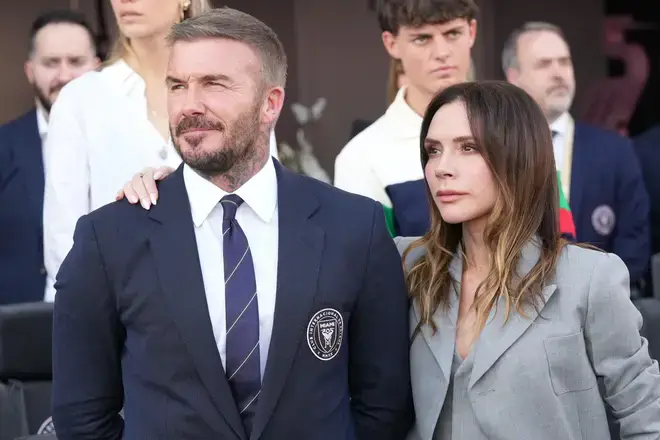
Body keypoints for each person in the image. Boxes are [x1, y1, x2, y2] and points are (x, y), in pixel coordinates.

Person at [51, 8, 412, 440]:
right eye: (177, 85)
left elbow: (384, 404)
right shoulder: (109, 238)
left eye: (214, 84)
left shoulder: (355, 228)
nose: (190, 104)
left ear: (270, 104)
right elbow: (82, 416)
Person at [396, 81, 660, 440]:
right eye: (433, 150)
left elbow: (645, 414)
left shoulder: (588, 277)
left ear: (517, 156)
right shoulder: (409, 265)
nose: (442, 167)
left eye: (468, 147)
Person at [41, 0, 272, 302]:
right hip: (116, 311)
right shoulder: (81, 99)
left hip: (230, 306)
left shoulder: (238, 90)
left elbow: (265, 205)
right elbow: (63, 243)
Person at [502, 21, 650, 285]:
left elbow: (634, 246)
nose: (559, 73)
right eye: (544, 64)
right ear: (514, 78)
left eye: (564, 62)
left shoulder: (615, 152)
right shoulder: (493, 151)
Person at [0, 10, 99, 305]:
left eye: (76, 61)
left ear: (97, 68)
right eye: (51, 63)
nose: (64, 75)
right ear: (30, 70)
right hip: (18, 322)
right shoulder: (3, 145)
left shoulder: (127, 141)